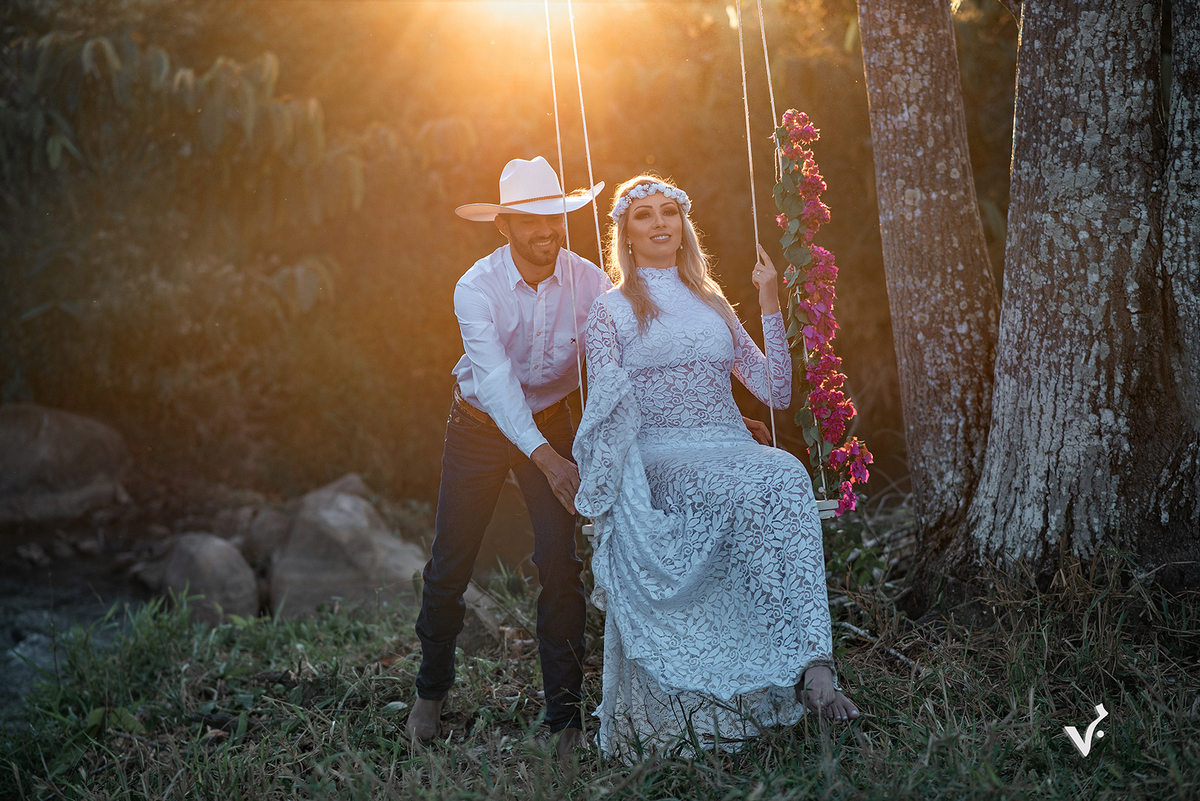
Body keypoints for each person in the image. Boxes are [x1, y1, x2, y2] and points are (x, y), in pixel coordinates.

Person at [573, 175, 859, 759]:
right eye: (644, 215)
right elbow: (604, 408)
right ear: (626, 234)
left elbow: (776, 391)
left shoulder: (712, 302)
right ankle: (774, 666)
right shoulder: (610, 311)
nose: (659, 223)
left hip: (729, 443)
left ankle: (814, 664)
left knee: (785, 472)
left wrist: (769, 300)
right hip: (662, 453)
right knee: (754, 483)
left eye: (669, 212)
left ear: (683, 225)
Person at [406, 156, 608, 757]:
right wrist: (549, 460)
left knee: (560, 564)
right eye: (530, 220)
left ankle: (565, 720)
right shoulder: (476, 288)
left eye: (553, 217)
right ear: (504, 226)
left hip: (553, 419)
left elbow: (632, 356)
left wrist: (721, 411)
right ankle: (430, 693)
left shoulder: (591, 282)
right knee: (451, 561)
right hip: (479, 424)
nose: (545, 230)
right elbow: (495, 386)